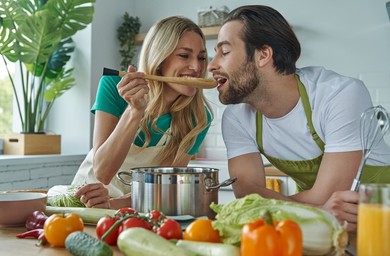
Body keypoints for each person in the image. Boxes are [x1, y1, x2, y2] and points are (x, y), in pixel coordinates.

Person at [207, 5, 390, 231]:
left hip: (381, 221)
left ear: (263, 55)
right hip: (323, 227)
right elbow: (247, 194)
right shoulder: (236, 117)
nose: (211, 65)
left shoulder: (339, 95)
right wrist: (317, 209)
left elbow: (325, 196)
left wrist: (275, 206)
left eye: (224, 52)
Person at [67, 16, 213, 209]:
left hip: (135, 208)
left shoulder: (198, 118)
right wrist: (134, 111)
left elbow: (162, 188)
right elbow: (102, 172)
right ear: (160, 59)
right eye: (184, 56)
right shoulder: (114, 87)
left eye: (202, 57)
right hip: (83, 204)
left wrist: (112, 205)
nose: (197, 67)